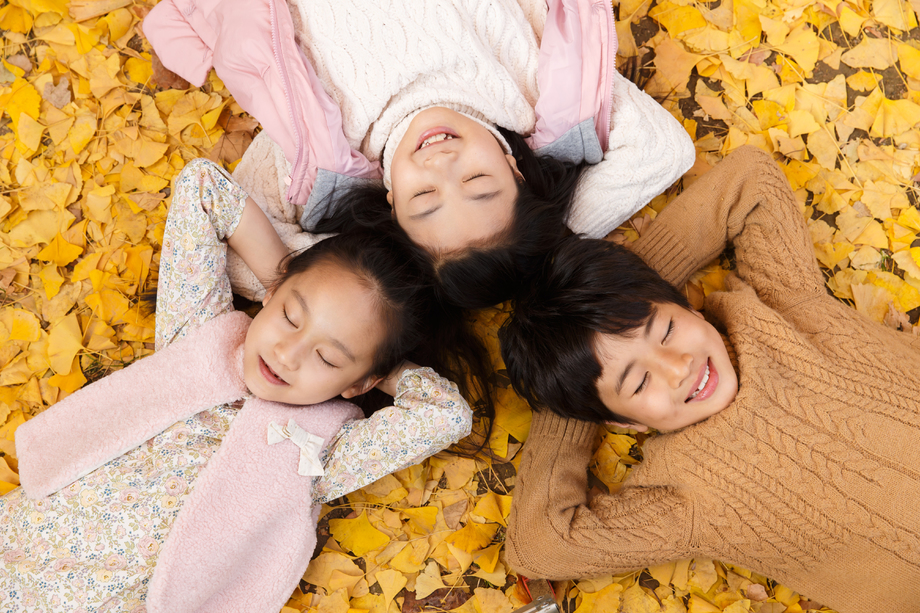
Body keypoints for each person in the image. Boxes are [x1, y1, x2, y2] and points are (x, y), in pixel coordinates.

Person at [0, 159, 474, 612]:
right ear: (274, 293)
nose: (287, 354)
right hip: (18, 544)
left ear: (357, 383)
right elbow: (204, 189)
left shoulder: (324, 453)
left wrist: (376, 370)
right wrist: (283, 274)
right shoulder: (200, 334)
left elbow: (445, 415)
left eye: (327, 357)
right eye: (291, 316)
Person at [499, 146, 920, 613]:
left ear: (687, 306)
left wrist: (628, 294)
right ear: (624, 422)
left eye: (667, 330)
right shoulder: (685, 500)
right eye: (638, 384)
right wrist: (573, 398)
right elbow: (541, 544)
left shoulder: (781, 304)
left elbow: (750, 179)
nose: (678, 367)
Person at [142, 0, 696, 307]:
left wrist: (372, 273)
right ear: (514, 166)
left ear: (390, 203)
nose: (441, 165)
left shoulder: (330, 151)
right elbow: (663, 152)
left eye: (424, 199)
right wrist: (541, 244)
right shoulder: (534, 95)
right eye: (478, 183)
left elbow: (234, 244)